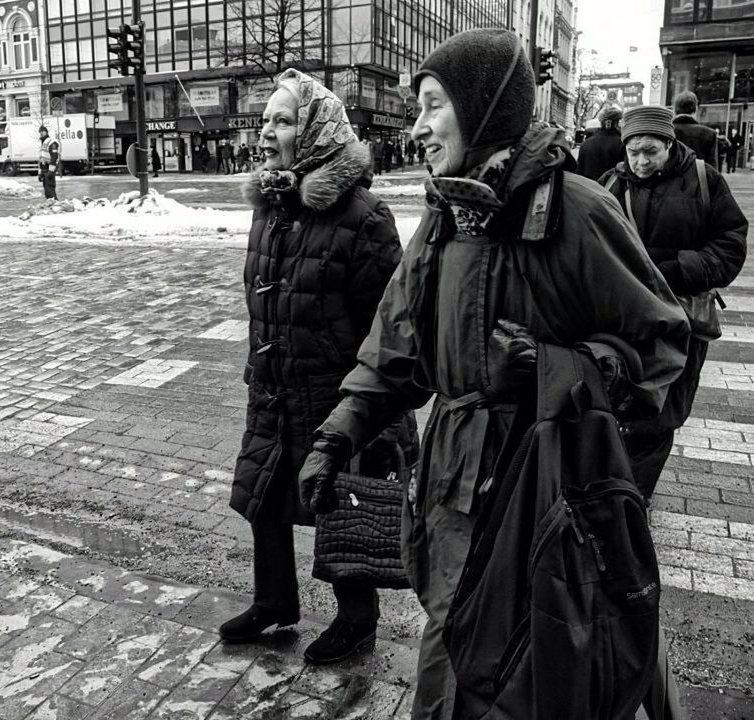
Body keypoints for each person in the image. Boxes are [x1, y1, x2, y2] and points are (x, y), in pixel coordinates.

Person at [297, 29, 690, 720]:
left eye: (431, 105)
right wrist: (337, 434)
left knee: (530, 681)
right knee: (450, 663)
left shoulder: (579, 211)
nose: (416, 127)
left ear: (481, 109)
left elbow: (660, 344)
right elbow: (395, 346)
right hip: (452, 493)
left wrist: (560, 369)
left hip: (544, 496)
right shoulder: (445, 217)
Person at [223, 68, 417, 666]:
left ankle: (357, 618)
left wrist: (373, 412)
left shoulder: (364, 217)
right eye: (264, 120)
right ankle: (274, 601)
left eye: (282, 120)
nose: (266, 132)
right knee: (264, 497)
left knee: (338, 499)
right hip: (276, 386)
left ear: (315, 132)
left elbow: (389, 327)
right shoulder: (272, 206)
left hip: (335, 395)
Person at [600, 106, 747, 501]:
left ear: (669, 143)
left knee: (661, 418)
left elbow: (730, 246)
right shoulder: (612, 185)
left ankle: (633, 501)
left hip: (682, 325)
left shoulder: (703, 180)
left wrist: (673, 269)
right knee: (617, 411)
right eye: (633, 152)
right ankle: (614, 494)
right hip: (626, 324)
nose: (641, 161)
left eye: (650, 151)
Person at [576, 105, 624, 180]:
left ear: (601, 122)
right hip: (610, 190)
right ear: (617, 123)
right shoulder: (622, 143)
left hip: (588, 189)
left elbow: (579, 172)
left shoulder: (586, 143)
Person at [672, 91, 717, 166]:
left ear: (674, 109)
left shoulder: (666, 130)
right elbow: (713, 171)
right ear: (696, 109)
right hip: (697, 176)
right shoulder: (709, 134)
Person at [37, 125, 59, 200]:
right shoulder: (43, 144)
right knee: (47, 191)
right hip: (44, 169)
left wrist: (51, 171)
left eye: (42, 131)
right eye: (40, 132)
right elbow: (41, 159)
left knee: (50, 190)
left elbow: (54, 157)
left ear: (46, 132)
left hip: (49, 169)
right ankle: (52, 205)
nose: (41, 133)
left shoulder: (51, 142)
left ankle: (56, 205)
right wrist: (40, 173)